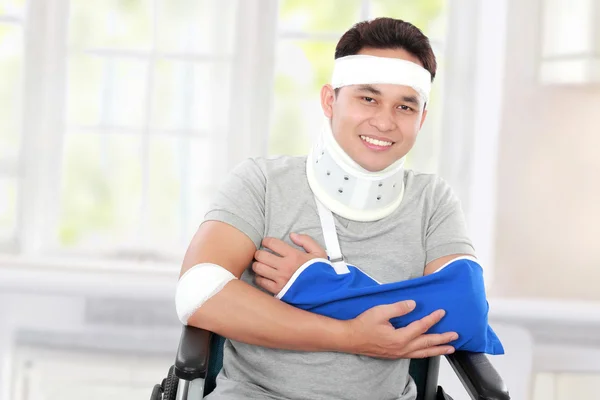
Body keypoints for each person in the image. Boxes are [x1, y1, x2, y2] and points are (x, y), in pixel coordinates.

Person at [176, 17, 480, 400]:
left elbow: (462, 313)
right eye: (368, 98)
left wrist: (322, 286)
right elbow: (199, 291)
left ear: (421, 119)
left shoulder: (433, 200)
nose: (384, 121)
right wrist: (352, 335)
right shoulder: (262, 182)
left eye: (405, 106)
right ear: (330, 100)